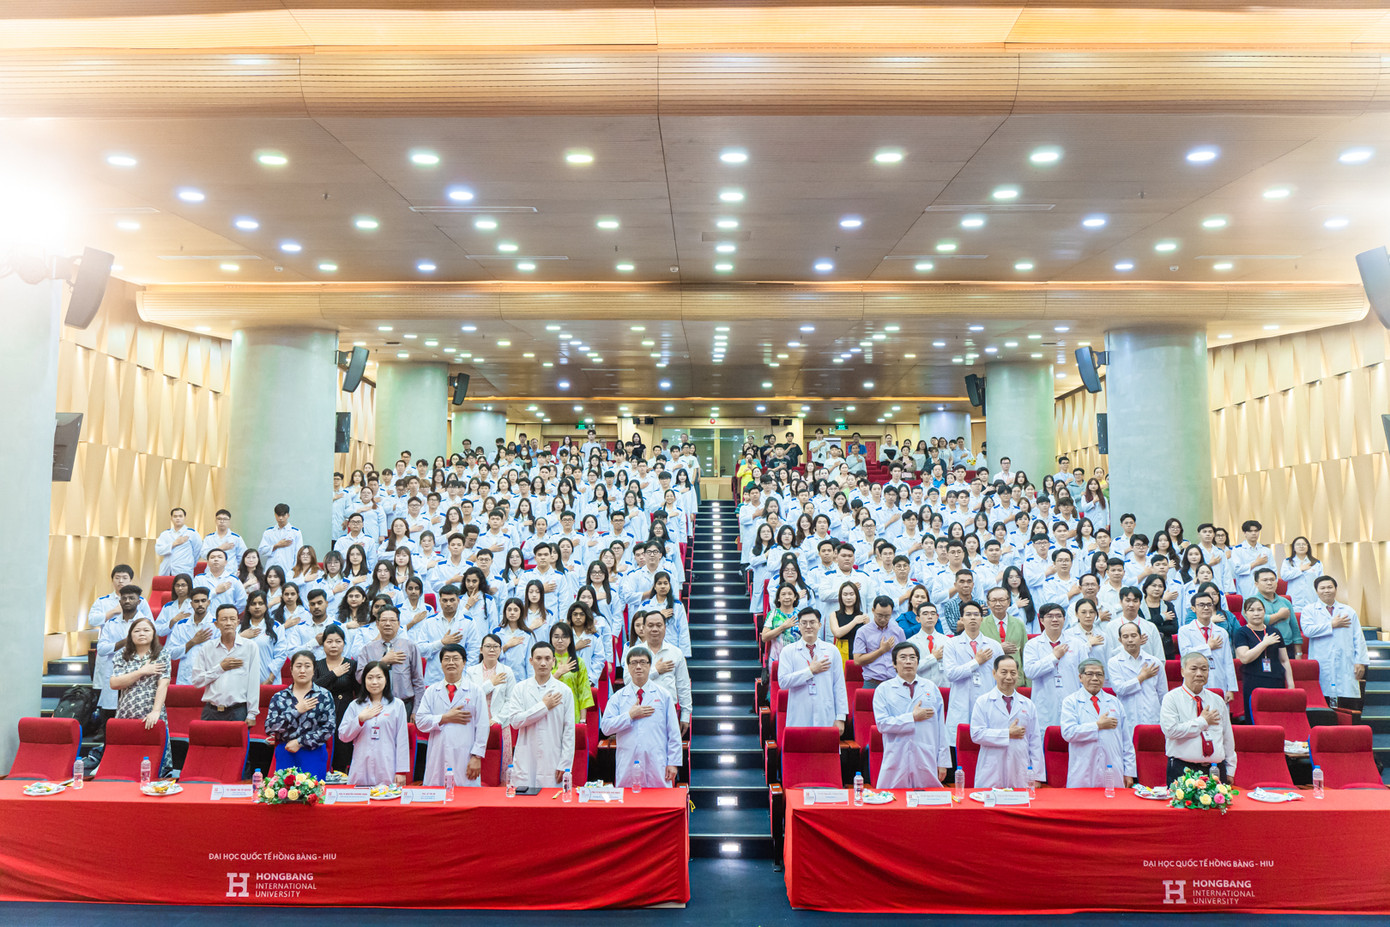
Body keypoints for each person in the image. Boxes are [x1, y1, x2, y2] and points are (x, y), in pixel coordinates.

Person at [601, 646, 682, 789]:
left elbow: (673, 732)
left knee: (660, 801)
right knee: (629, 803)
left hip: (658, 762)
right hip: (628, 762)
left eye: (643, 662)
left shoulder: (663, 695)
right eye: (634, 663)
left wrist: (673, 763)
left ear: (650, 666)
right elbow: (606, 728)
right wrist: (629, 716)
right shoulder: (618, 698)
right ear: (628, 667)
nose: (638, 666)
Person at [873, 642, 951, 788]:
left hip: (925, 754)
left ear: (918, 662)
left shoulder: (931, 688)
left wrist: (943, 762)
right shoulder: (883, 690)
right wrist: (912, 717)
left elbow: (941, 727)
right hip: (896, 755)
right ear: (894, 664)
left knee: (928, 804)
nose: (908, 661)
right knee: (893, 802)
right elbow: (882, 724)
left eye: (912, 657)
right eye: (903, 657)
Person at [414, 643, 490, 788]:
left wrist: (477, 756)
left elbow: (483, 726)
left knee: (466, 798)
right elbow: (421, 721)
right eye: (446, 659)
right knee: (437, 798)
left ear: (464, 662)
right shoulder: (431, 691)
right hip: (438, 754)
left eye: (455, 658)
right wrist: (444, 718)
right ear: (441, 663)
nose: (451, 663)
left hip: (466, 754)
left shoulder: (475, 691)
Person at [502, 641, 576, 789]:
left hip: (553, 758)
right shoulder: (520, 689)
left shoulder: (564, 691)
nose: (543, 663)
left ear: (553, 661)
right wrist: (543, 706)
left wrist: (565, 763)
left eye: (548, 659)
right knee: (524, 805)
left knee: (552, 805)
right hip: (526, 758)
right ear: (531, 661)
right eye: (538, 658)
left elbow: (569, 730)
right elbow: (515, 722)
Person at [1160, 652, 1237, 783]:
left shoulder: (1217, 700)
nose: (1200, 673)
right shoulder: (1171, 698)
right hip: (1183, 769)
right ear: (1183, 671)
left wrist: (1230, 768)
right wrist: (1202, 722)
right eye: (1194, 669)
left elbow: (1227, 736)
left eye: (1204, 669)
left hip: (1215, 769)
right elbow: (1170, 731)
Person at [108, 616, 172, 775]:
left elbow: (163, 684)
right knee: (126, 759)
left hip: (151, 712)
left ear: (153, 634)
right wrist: (143, 671)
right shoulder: (121, 655)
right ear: (130, 635)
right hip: (126, 712)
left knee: (154, 759)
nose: (141, 633)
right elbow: (115, 683)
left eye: (146, 630)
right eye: (137, 631)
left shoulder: (162, 655)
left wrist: (156, 711)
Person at [970, 655, 1044, 788]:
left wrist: (1037, 775)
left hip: (1020, 769)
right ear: (994, 673)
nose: (1009, 677)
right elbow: (976, 734)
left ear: (1018, 675)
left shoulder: (1028, 704)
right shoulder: (983, 702)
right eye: (1004, 672)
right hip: (991, 769)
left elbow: (1035, 742)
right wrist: (1007, 734)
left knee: (1020, 805)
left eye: (1013, 673)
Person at [1060, 659, 1134, 788]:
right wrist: (1097, 726)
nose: (1095, 678)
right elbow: (1068, 733)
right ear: (1080, 677)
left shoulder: (1115, 702)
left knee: (1112, 805)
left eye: (1099, 674)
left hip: (1113, 768)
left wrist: (1129, 772)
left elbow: (1126, 741)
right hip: (1083, 771)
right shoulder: (1071, 702)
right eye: (1089, 674)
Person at [263, 651, 337, 778]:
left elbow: (329, 728)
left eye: (307, 666)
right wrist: (296, 711)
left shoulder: (324, 695)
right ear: (291, 670)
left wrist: (300, 742)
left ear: (314, 670)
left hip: (313, 753)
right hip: (286, 752)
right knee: (285, 795)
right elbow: (270, 727)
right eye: (298, 666)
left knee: (312, 795)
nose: (302, 670)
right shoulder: (280, 697)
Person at [338, 661, 411, 787]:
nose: (374, 682)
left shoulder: (397, 705)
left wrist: (401, 771)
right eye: (370, 678)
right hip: (361, 765)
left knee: (386, 802)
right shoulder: (355, 705)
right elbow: (343, 736)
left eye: (379, 677)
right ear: (364, 680)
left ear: (386, 679)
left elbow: (402, 740)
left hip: (387, 765)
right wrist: (360, 720)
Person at [1300, 575, 1369, 708]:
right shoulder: (1309, 610)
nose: (1327, 591)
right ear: (1316, 591)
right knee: (1324, 698)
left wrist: (1360, 661)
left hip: (1346, 661)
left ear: (1336, 589)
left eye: (1330, 587)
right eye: (1322, 588)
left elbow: (1358, 638)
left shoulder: (1348, 611)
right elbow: (1308, 631)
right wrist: (1331, 624)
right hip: (1322, 660)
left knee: (1347, 701)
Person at [190, 604, 262, 726]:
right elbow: (197, 681)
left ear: (238, 622)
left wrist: (252, 713)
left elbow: (254, 682)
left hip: (238, 711)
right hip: (211, 711)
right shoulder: (207, 648)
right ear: (216, 624)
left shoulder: (250, 647)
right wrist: (220, 668)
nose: (228, 623)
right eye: (224, 619)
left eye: (232, 619)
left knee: (238, 745)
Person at [777, 609, 848, 732]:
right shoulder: (788, 651)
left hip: (825, 713)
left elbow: (839, 685)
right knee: (800, 748)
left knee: (825, 749)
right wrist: (810, 671)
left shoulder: (832, 650)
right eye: (804, 623)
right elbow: (783, 682)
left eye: (812, 622)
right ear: (798, 626)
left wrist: (841, 717)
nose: (808, 626)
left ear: (819, 625)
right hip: (799, 713)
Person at [943, 602, 1004, 733]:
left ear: (981, 619)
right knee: (960, 746)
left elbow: (1002, 677)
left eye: (976, 615)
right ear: (961, 619)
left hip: (988, 702)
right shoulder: (951, 644)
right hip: (961, 703)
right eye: (968, 614)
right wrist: (976, 662)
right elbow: (951, 674)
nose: (972, 618)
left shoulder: (994, 645)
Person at [355, 606, 427, 716]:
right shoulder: (367, 649)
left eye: (392, 620)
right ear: (377, 624)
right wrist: (382, 662)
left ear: (399, 624)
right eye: (383, 620)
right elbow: (360, 678)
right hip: (374, 706)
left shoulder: (410, 647)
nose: (388, 624)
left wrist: (416, 709)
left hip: (404, 705)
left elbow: (418, 681)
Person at [1232, 597, 1295, 720]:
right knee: (1256, 719)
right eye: (1251, 610)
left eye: (1259, 610)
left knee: (1277, 718)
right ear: (1245, 613)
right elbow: (1244, 658)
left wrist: (1291, 684)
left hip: (1276, 680)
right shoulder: (1241, 632)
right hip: (1254, 681)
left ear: (1264, 611)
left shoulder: (1274, 631)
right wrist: (1264, 643)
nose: (1256, 613)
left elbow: (1284, 660)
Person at [1022, 603, 1082, 729]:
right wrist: (1054, 657)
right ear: (1042, 620)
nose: (1055, 619)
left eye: (1058, 616)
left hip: (1073, 700)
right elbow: (1030, 672)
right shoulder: (1032, 645)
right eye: (1050, 616)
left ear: (1064, 620)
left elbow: (1084, 675)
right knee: (1045, 741)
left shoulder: (1077, 644)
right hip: (1044, 704)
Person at [1107, 621, 1165, 741]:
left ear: (1141, 637)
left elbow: (1163, 694)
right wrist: (1141, 677)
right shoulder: (1114, 662)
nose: (1130, 640)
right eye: (1125, 636)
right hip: (1128, 716)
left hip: (1152, 715)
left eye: (1134, 636)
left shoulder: (1154, 662)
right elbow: (1120, 689)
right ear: (1120, 640)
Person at [95, 585, 146, 720]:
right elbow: (101, 649)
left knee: (134, 715)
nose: (127, 601)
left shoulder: (145, 623)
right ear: (120, 601)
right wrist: (123, 642)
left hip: (137, 671)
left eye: (131, 598)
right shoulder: (111, 623)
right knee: (110, 715)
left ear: (139, 601)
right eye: (124, 598)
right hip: (113, 671)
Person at [1176, 592, 1236, 703]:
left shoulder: (1221, 632)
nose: (1206, 608)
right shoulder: (1185, 631)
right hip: (1195, 678)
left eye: (1209, 605)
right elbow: (1186, 654)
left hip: (1218, 679)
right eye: (1201, 605)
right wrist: (1208, 647)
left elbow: (1228, 661)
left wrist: (1231, 689)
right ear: (1193, 608)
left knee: (1218, 715)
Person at [313, 625, 358, 771]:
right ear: (323, 644)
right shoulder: (317, 665)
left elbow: (359, 693)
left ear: (344, 644)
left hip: (345, 712)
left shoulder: (351, 665)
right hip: (321, 713)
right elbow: (313, 688)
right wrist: (334, 674)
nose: (333, 645)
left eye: (338, 641)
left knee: (342, 749)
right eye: (329, 641)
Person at [852, 595, 906, 689]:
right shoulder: (863, 632)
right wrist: (881, 650)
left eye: (887, 616)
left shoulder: (898, 631)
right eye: (879, 615)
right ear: (873, 611)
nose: (883, 619)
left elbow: (905, 657)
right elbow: (857, 660)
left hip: (894, 682)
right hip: (872, 683)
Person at [549, 622, 596, 723]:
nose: (560, 640)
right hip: (550, 713)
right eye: (556, 637)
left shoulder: (578, 662)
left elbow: (584, 693)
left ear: (570, 639)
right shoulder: (546, 662)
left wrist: (583, 720)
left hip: (572, 712)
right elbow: (541, 687)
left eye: (564, 637)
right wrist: (557, 674)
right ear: (551, 639)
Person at [1250, 568, 1301, 659]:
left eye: (1272, 580)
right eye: (1265, 580)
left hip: (1287, 646)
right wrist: (1279, 615)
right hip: (1261, 647)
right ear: (1256, 584)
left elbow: (1294, 628)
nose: (1269, 583)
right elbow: (1259, 620)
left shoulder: (1285, 602)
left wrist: (1298, 653)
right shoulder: (1250, 602)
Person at [259, 502, 304, 575]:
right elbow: (262, 551)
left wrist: (294, 570)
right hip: (271, 569)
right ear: (275, 515)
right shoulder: (268, 532)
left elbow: (299, 554)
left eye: (283, 515)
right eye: (278, 515)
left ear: (288, 515)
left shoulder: (295, 532)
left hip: (288, 569)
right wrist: (276, 545)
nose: (280, 518)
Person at [155, 507, 202, 577]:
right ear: (171, 518)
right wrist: (174, 544)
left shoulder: (192, 533)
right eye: (175, 516)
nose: (178, 518)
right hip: (167, 569)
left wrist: (190, 563)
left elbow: (197, 552)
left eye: (180, 516)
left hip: (184, 569)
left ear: (184, 518)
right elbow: (159, 550)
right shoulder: (165, 534)